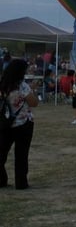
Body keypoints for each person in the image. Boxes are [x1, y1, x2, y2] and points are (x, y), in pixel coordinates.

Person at [0, 59, 39, 189]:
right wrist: (33, 90)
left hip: (5, 123)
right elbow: (34, 103)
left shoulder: (2, 85)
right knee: (21, 155)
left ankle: (1, 180)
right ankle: (21, 183)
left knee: (2, 152)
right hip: (23, 123)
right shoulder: (22, 86)